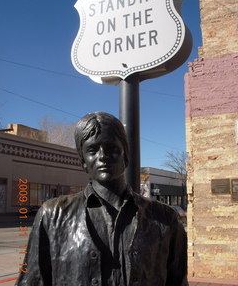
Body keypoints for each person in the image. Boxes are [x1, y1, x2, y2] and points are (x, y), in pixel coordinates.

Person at [16, 112, 188, 286]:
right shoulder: (53, 215)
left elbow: (178, 281)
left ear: (125, 155)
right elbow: (31, 281)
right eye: (92, 150)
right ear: (83, 161)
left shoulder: (165, 218)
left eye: (111, 148)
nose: (102, 156)